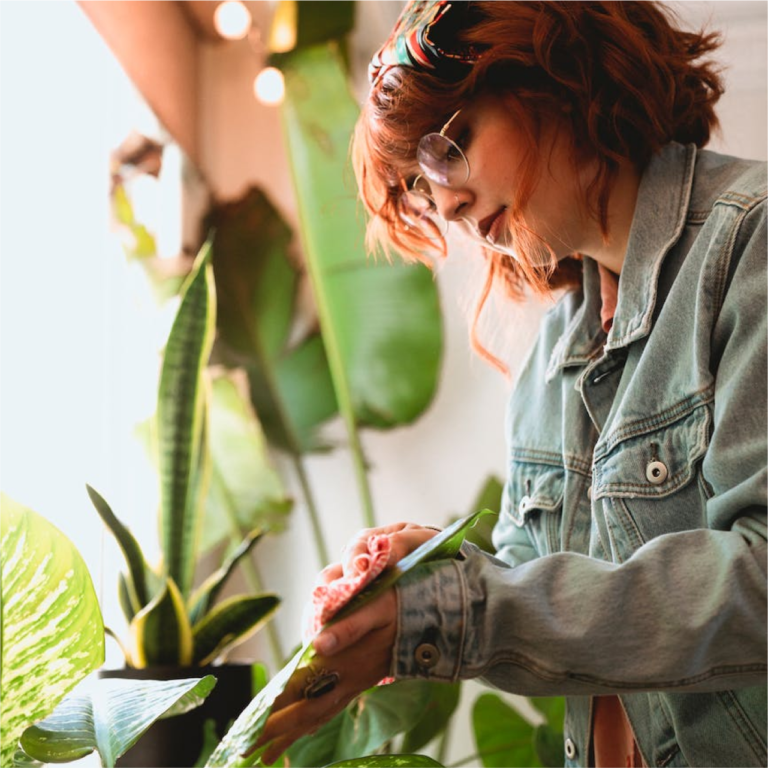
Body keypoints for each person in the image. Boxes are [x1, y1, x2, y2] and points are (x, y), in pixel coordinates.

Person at [258, 1, 768, 766]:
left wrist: (460, 614)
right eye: (422, 188)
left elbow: (757, 583)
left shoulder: (750, 244)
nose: (450, 204)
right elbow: (548, 589)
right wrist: (431, 571)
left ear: (559, 80)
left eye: (450, 145)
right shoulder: (552, 353)